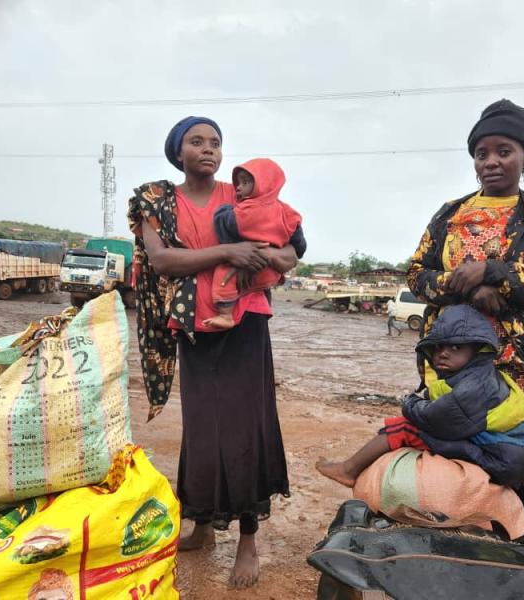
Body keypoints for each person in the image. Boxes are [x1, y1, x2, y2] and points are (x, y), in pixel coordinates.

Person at [127, 116, 305, 589]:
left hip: (245, 323)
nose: (208, 149)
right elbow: (162, 260)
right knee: (202, 428)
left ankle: (248, 540)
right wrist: (229, 252)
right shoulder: (158, 201)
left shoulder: (242, 194)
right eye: (196, 141)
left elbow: (289, 254)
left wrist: (262, 255)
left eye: (215, 142)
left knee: (246, 426)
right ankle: (202, 523)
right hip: (194, 326)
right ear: (177, 150)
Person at [407, 99, 524, 527]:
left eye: (504, 151)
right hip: (449, 365)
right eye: (481, 154)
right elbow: (416, 275)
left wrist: (497, 272)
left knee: (515, 464)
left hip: (517, 366)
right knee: (450, 454)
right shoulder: (450, 214)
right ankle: (458, 550)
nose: (491, 162)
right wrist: (463, 285)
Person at [316, 304, 524, 490]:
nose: (443, 353)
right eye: (439, 347)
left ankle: (348, 471)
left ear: (478, 349)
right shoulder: (477, 375)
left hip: (505, 459)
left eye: (455, 347)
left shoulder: (475, 386)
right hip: (512, 452)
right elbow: (441, 395)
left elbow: (435, 419)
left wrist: (409, 402)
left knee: (405, 428)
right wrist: (426, 397)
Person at [203, 158, 303, 330]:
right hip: (270, 273)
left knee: (223, 273)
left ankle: (226, 315)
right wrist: (272, 250)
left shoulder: (244, 211)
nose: (239, 187)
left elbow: (224, 226)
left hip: (239, 278)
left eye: (246, 182)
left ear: (262, 184)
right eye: (238, 183)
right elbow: (299, 247)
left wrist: (224, 210)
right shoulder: (288, 213)